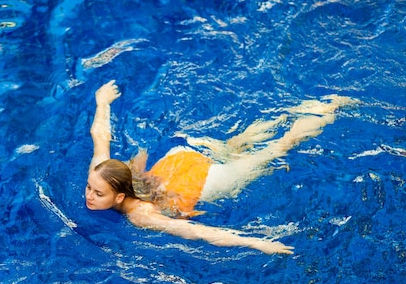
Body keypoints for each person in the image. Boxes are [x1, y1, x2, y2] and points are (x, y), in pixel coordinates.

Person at [86, 80, 355, 255]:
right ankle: (289, 113)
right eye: (90, 188)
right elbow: (99, 135)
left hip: (204, 180)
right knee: (234, 146)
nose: (89, 195)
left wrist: (255, 243)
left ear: (120, 197)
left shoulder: (139, 215)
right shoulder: (102, 172)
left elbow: (195, 232)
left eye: (98, 194)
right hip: (179, 158)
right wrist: (102, 102)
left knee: (277, 150)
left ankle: (330, 108)